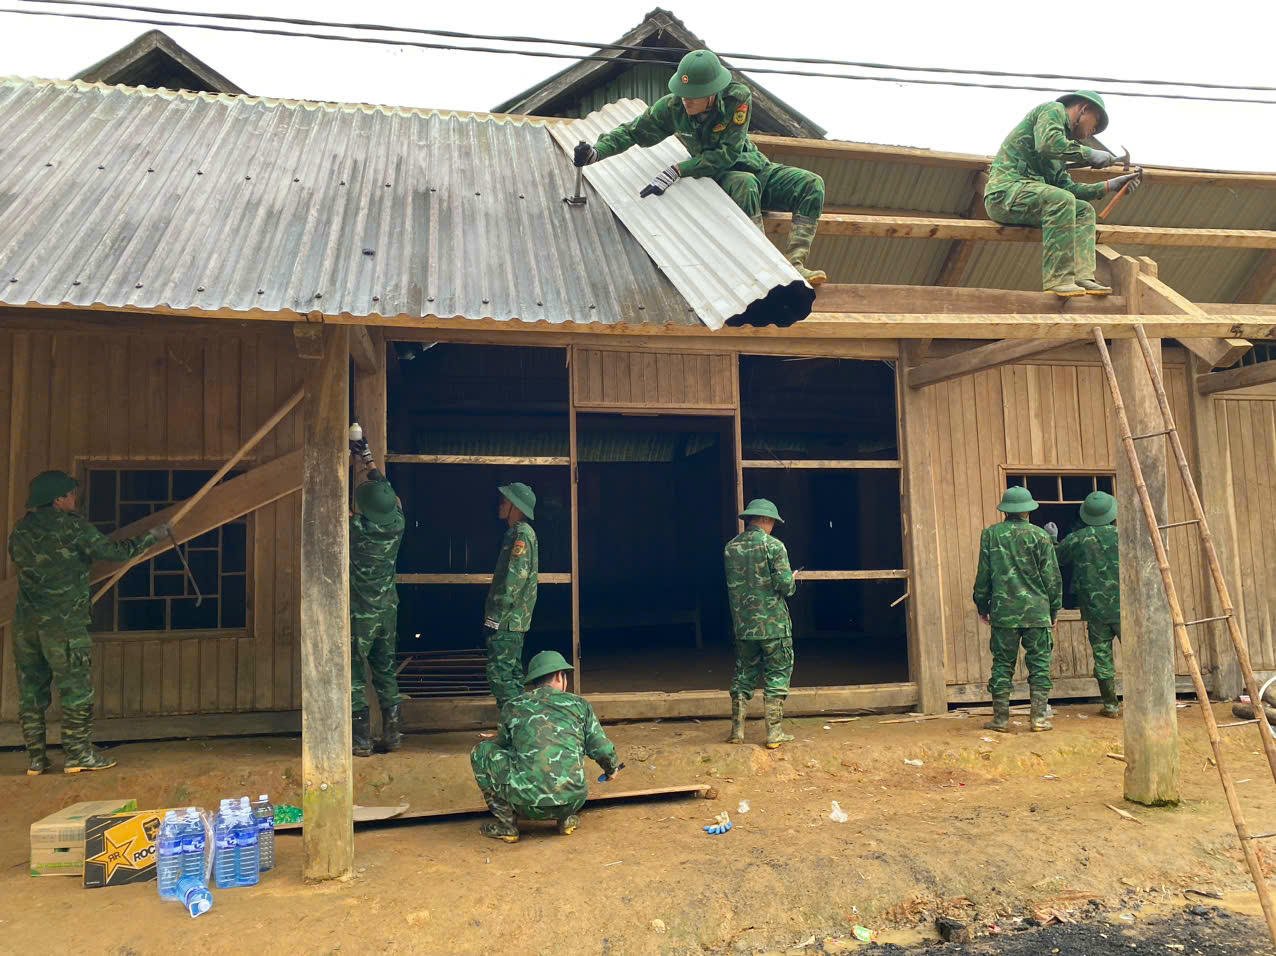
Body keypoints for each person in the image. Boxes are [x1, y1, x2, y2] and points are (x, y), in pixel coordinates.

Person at [573, 48, 828, 285]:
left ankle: (795, 263)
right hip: (725, 176)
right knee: (745, 184)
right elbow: (632, 131)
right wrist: (596, 153)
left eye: (694, 96)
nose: (686, 101)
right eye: (683, 95)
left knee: (811, 183)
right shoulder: (672, 107)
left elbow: (726, 154)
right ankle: (767, 269)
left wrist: (678, 170)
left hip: (755, 165)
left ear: (713, 91)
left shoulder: (736, 99)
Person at [8, 470, 163, 774]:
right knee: (76, 690)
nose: (73, 499)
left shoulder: (20, 531)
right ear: (57, 499)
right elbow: (113, 552)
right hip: (64, 626)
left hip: (26, 625)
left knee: (31, 692)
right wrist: (151, 537)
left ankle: (36, 759)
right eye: (70, 494)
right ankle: (79, 754)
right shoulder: (73, 528)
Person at [984, 91, 1144, 297]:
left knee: (1083, 211)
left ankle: (1082, 276)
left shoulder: (1059, 158)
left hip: (1029, 199)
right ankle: (1058, 280)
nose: (1091, 132)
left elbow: (1069, 190)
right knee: (1060, 200)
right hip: (1004, 193)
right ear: (1083, 109)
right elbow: (1048, 143)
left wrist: (1108, 185)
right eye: (1093, 124)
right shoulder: (1052, 110)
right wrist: (1089, 153)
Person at [470, 650, 620, 843]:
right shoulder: (580, 705)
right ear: (560, 676)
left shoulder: (514, 706)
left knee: (481, 751)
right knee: (566, 754)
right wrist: (612, 769)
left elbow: (503, 745)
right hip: (573, 801)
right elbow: (601, 748)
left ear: (534, 680)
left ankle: (507, 826)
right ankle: (565, 820)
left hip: (526, 804)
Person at [972, 486, 1062, 733]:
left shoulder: (990, 535)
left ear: (1005, 510)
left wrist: (982, 605)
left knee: (1002, 664)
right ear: (1028, 511)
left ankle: (1000, 719)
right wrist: (1054, 610)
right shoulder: (1041, 537)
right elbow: (1052, 578)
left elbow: (984, 576)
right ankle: (1039, 719)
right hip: (1037, 613)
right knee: (1040, 665)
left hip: (1003, 613)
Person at [348, 429, 407, 757]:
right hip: (388, 612)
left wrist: (352, 459)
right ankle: (394, 735)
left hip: (362, 614)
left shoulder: (358, 531)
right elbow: (390, 497)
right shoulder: (397, 523)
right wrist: (367, 458)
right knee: (385, 671)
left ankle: (361, 742)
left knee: (356, 674)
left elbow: (340, 506)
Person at [723, 498, 797, 748]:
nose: (773, 527)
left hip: (744, 627)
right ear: (766, 520)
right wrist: (793, 579)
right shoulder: (774, 546)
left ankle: (737, 731)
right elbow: (785, 586)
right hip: (774, 626)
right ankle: (774, 734)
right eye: (773, 522)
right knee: (777, 674)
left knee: (744, 675)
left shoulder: (730, 548)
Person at [1046, 491, 1121, 718]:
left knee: (1102, 656)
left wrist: (1052, 538)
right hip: (1127, 608)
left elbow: (1055, 558)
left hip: (1094, 608)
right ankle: (1146, 701)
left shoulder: (1078, 538)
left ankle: (1111, 705)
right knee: (1137, 655)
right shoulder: (1124, 535)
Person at [483, 482, 539, 709]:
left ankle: (514, 727)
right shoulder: (518, 533)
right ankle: (520, 726)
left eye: (505, 501)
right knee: (512, 673)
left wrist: (494, 617)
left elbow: (513, 581)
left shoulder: (521, 535)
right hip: (513, 620)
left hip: (507, 620)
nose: (500, 504)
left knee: (500, 674)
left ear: (516, 506)